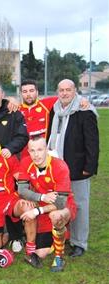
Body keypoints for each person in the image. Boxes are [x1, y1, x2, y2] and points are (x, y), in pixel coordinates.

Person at [47, 79, 99, 258]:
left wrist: (89, 167)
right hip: (57, 168)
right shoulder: (54, 111)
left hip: (78, 169)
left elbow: (92, 143)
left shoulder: (85, 112)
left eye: (68, 90)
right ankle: (65, 236)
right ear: (57, 91)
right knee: (61, 203)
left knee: (80, 205)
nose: (64, 93)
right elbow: (50, 138)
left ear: (75, 91)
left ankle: (79, 243)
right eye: (61, 90)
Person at [18, 136, 77, 271]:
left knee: (56, 216)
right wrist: (42, 197)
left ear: (46, 149)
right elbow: (22, 190)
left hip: (64, 206)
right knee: (42, 252)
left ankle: (59, 257)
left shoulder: (59, 166)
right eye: (32, 150)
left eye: (40, 149)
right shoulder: (26, 162)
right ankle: (34, 248)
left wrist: (36, 211)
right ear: (28, 151)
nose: (36, 154)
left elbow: (61, 202)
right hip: (43, 205)